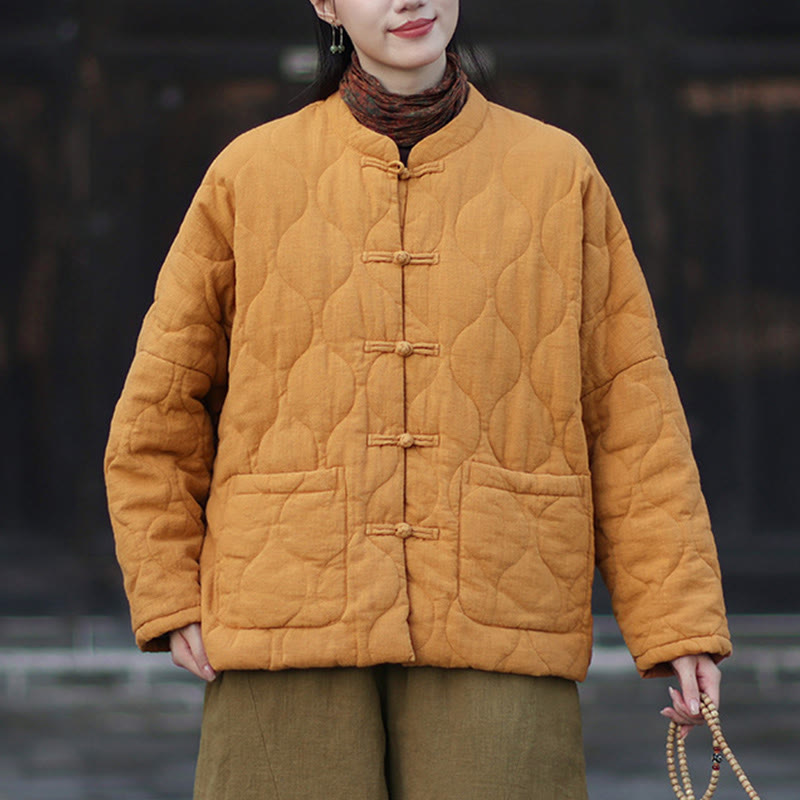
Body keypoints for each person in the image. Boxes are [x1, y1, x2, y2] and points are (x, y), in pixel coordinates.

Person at [104, 1, 731, 797]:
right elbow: (157, 412)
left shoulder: (556, 172)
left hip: (502, 605)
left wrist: (678, 620)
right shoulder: (249, 175)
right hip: (285, 609)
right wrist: (166, 587)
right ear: (326, 5)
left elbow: (632, 415)